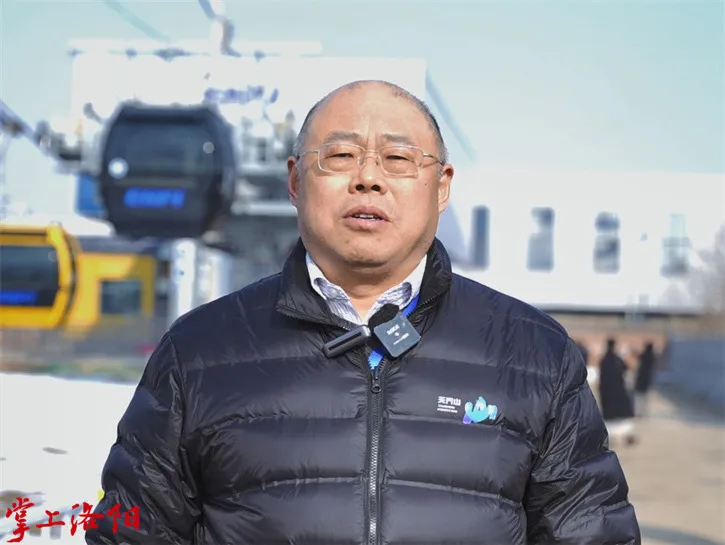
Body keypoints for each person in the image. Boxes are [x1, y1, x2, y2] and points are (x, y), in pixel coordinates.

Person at [85, 80, 640, 545]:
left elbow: (591, 533)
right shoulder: (199, 352)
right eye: (340, 156)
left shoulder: (534, 354)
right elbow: (129, 532)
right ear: (296, 181)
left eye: (398, 159)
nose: (368, 178)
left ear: (441, 187)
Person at [598, 337, 637, 446]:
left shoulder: (604, 359)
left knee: (610, 412)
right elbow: (626, 368)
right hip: (618, 390)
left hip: (607, 391)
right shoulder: (617, 359)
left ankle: (613, 435)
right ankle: (622, 435)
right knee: (620, 412)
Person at [633, 342, 658, 416]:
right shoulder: (652, 356)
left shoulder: (645, 355)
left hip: (641, 377)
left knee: (639, 396)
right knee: (645, 396)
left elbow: (638, 355)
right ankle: (644, 411)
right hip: (648, 378)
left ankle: (639, 411)